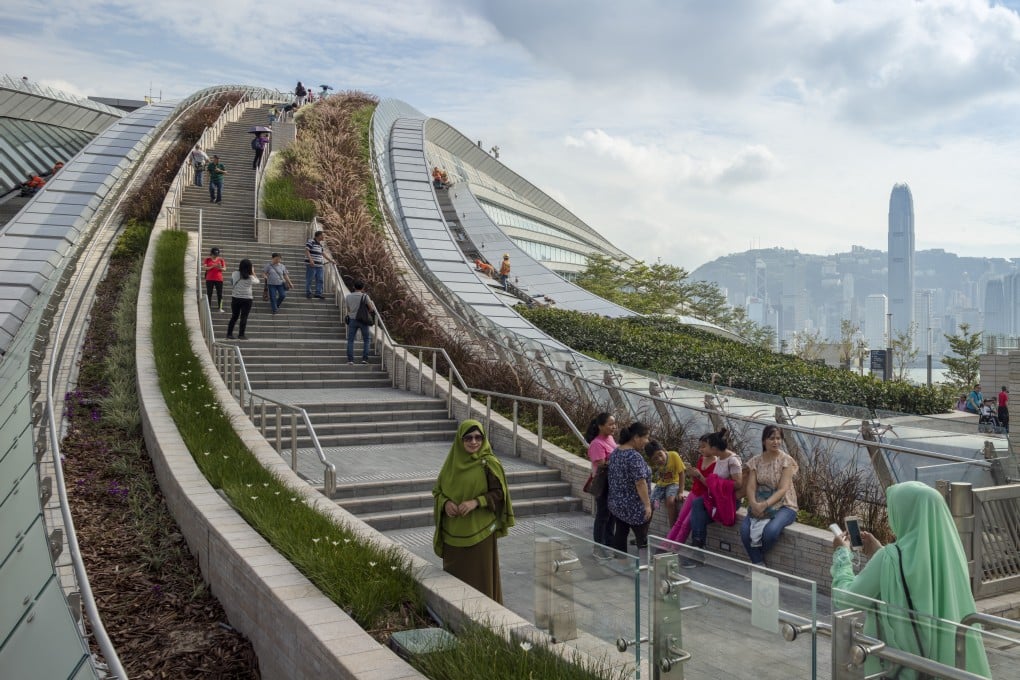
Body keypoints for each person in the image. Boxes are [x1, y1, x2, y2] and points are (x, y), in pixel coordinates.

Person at [831, 482, 991, 679]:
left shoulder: (890, 558)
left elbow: (846, 598)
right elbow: (918, 582)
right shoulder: (952, 555)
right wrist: (879, 551)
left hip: (903, 667)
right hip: (950, 665)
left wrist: (842, 555)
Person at [432, 420, 515, 603]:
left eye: (478, 437)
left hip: (480, 535)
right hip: (452, 536)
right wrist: (445, 503)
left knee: (481, 585)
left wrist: (476, 502)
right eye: (468, 437)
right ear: (460, 440)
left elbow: (500, 493)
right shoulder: (451, 464)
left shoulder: (488, 464)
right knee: (454, 586)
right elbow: (437, 491)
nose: (473, 442)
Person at [740, 424, 798, 567]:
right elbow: (751, 486)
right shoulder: (756, 461)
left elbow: (783, 489)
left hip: (785, 505)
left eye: (779, 438)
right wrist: (753, 504)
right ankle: (759, 564)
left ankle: (756, 564)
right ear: (764, 440)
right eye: (772, 438)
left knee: (770, 532)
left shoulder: (786, 460)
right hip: (760, 503)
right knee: (744, 531)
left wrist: (764, 505)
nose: (776, 442)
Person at [687, 429, 743, 561]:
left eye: (708, 446)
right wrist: (700, 476)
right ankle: (698, 547)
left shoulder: (732, 461)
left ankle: (698, 548)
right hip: (718, 498)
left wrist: (718, 483)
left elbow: (738, 484)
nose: (705, 449)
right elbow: (711, 484)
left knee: (698, 517)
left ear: (714, 448)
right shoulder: (720, 459)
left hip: (728, 501)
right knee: (697, 506)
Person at [607, 422, 653, 554]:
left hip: (617, 503)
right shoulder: (634, 456)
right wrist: (647, 505)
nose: (647, 441)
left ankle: (620, 564)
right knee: (642, 538)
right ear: (636, 437)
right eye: (646, 437)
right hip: (633, 506)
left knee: (620, 534)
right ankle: (645, 568)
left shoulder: (616, 452)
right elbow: (640, 483)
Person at [666, 433, 717, 545]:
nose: (701, 449)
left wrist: (699, 476)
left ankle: (674, 549)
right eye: (700, 446)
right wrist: (692, 475)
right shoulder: (701, 459)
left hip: (702, 498)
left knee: (686, 524)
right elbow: (697, 480)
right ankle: (666, 545)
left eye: (704, 446)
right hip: (693, 493)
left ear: (713, 447)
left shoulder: (717, 464)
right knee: (679, 521)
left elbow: (712, 487)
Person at [585, 413, 617, 549]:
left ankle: (609, 543)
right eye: (610, 424)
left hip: (613, 482)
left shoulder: (610, 438)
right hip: (604, 483)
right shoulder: (596, 444)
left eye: (614, 424)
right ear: (600, 426)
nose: (613, 427)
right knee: (603, 515)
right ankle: (599, 545)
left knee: (612, 515)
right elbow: (602, 464)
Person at [645, 441, 685, 530]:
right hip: (661, 485)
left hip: (673, 483)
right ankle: (643, 532)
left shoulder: (673, 455)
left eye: (660, 455)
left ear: (664, 450)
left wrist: (681, 492)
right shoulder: (656, 463)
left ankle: (672, 531)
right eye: (655, 458)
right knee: (652, 504)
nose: (659, 459)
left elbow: (681, 473)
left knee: (670, 502)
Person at [344, 280, 377, 365]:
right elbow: (371, 308)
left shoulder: (348, 297)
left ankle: (350, 360)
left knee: (350, 340)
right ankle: (364, 359)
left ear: (354, 287)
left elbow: (348, 309)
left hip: (352, 320)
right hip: (363, 320)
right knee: (366, 339)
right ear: (362, 288)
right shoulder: (365, 296)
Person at [226, 259, 258, 340]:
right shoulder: (251, 277)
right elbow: (257, 281)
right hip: (247, 299)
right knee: (244, 317)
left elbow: (232, 282)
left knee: (234, 316)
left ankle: (229, 334)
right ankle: (241, 335)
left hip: (236, 298)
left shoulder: (235, 273)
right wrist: (253, 272)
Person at [304, 230, 334, 299]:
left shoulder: (320, 244)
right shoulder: (311, 241)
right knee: (309, 279)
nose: (324, 237)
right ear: (319, 235)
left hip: (320, 265)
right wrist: (311, 260)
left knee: (320, 279)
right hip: (312, 264)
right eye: (323, 235)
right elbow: (307, 250)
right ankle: (308, 293)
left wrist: (330, 260)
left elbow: (322, 253)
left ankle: (318, 293)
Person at [203, 247, 227, 312]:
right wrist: (213, 266)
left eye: (217, 255)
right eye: (214, 254)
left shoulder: (221, 260)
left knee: (220, 294)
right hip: (209, 279)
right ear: (211, 253)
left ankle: (220, 307)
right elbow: (205, 268)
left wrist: (220, 267)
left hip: (219, 279)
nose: (215, 256)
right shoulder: (207, 259)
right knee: (209, 293)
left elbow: (224, 269)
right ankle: (208, 307)